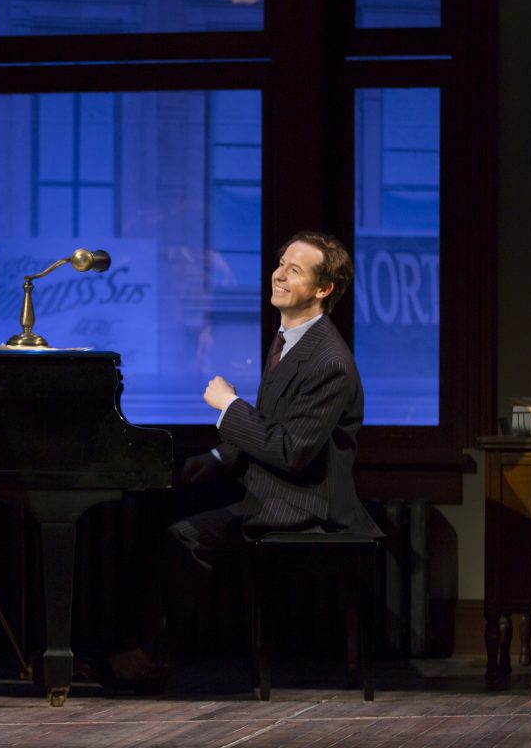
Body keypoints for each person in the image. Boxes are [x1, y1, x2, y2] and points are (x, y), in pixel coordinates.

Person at [106, 231, 383, 689]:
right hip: (274, 486)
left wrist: (229, 407)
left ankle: (153, 657)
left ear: (323, 289)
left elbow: (292, 452)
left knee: (183, 538)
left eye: (295, 270)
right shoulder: (290, 341)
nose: (278, 273)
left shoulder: (328, 360)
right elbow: (275, 422)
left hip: (305, 502)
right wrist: (217, 457)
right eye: (280, 262)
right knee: (149, 505)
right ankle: (121, 642)